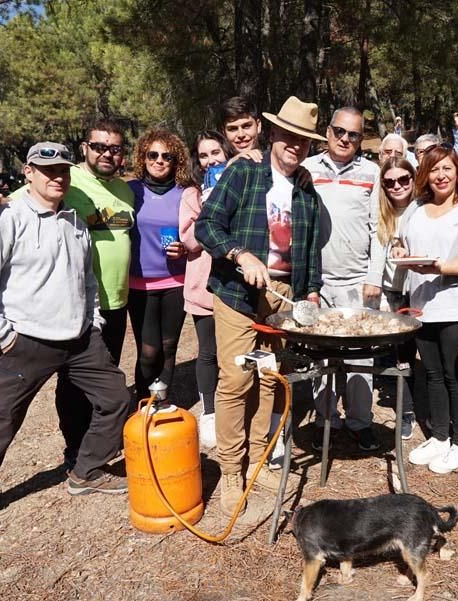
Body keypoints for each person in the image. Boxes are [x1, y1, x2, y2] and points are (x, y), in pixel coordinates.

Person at [0, 143, 130, 538]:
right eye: (47, 170)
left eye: (63, 170)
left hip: (81, 339)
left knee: (117, 399)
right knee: (2, 420)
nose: (57, 177)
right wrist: (1, 334)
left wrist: (94, 320)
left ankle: (85, 471)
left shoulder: (75, 220)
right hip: (26, 341)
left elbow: (86, 279)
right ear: (29, 172)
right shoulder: (5, 218)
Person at [195, 96, 324, 517]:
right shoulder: (245, 175)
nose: (294, 145)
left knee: (268, 378)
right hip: (236, 294)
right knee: (236, 378)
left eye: (303, 140)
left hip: (281, 298)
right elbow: (207, 224)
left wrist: (311, 291)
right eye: (288, 136)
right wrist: (240, 254)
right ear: (273, 134)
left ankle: (258, 460)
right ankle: (231, 470)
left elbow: (310, 249)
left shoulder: (306, 191)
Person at [393, 146, 458, 474]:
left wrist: (442, 268)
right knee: (432, 374)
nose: (441, 175)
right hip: (422, 305)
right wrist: (399, 250)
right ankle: (439, 436)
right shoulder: (416, 207)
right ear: (425, 174)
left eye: (447, 168)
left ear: (457, 170)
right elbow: (401, 242)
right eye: (433, 169)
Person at [302, 106, 382, 452]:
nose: (345, 139)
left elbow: (379, 228)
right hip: (317, 281)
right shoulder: (307, 169)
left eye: (353, 134)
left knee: (360, 358)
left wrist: (374, 276)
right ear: (328, 131)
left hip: (356, 279)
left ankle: (360, 422)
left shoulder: (371, 172)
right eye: (339, 131)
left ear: (360, 139)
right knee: (321, 356)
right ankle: (325, 420)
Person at [180, 131, 237, 449]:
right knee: (208, 351)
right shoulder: (191, 194)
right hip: (203, 284)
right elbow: (188, 241)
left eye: (216, 152)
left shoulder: (240, 184)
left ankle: (237, 409)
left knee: (238, 354)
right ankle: (210, 413)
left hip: (234, 283)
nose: (211, 159)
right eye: (204, 155)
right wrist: (209, 205)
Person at [127, 130, 190, 402]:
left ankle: (162, 400)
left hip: (175, 281)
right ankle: (144, 401)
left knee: (169, 346)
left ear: (177, 161)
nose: (160, 160)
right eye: (153, 154)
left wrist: (184, 248)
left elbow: (197, 232)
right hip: (138, 283)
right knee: (148, 350)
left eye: (167, 156)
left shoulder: (186, 193)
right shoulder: (131, 190)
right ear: (143, 157)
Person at [371, 157, 419, 438]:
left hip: (415, 292)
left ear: (413, 180)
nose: (397, 186)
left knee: (408, 356)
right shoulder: (381, 213)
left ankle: (411, 409)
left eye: (403, 179)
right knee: (391, 357)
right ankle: (405, 409)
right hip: (388, 291)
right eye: (389, 182)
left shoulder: (423, 209)